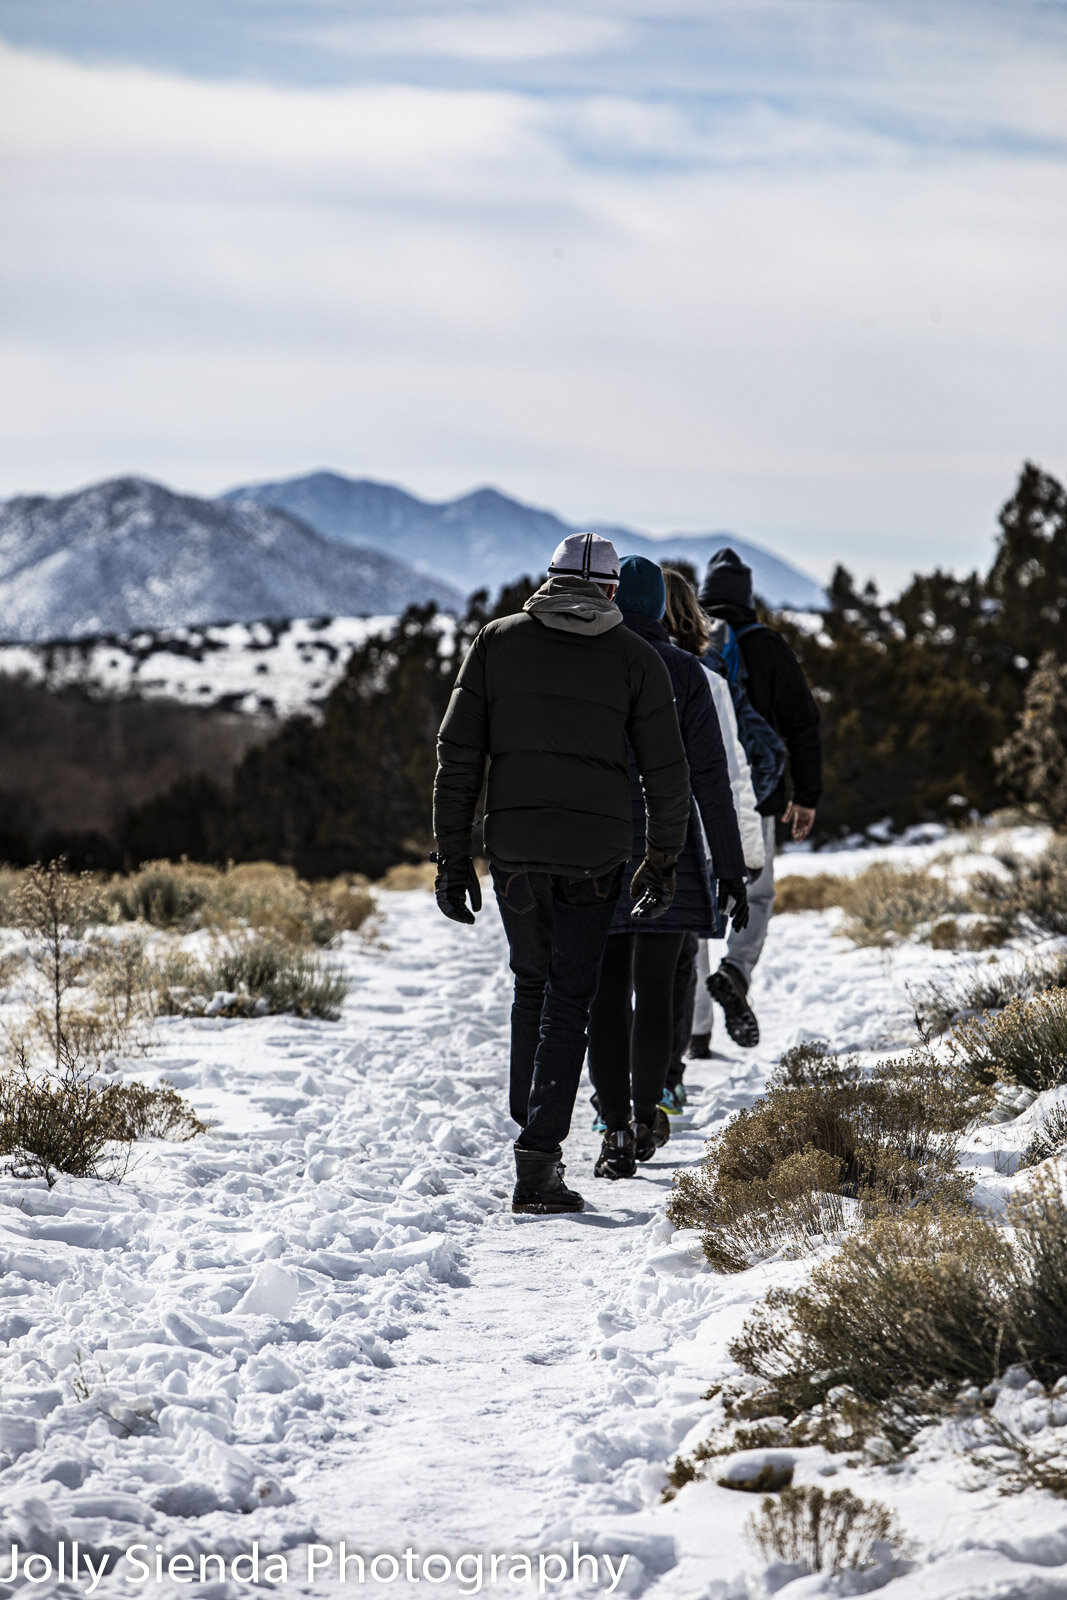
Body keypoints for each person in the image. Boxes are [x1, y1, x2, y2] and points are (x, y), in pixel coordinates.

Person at [432, 532, 691, 1215]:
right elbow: (668, 778)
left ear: (546, 579)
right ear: (610, 591)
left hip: (513, 848)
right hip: (595, 854)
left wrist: (452, 857)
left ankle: (533, 1127)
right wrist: (660, 863)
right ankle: (537, 1160)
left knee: (531, 985)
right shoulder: (635, 659)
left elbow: (458, 756)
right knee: (569, 1000)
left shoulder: (497, 641)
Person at [585, 556, 749, 1179]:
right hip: (671, 852)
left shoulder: (589, 664)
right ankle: (650, 1109)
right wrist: (729, 869)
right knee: (657, 991)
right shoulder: (689, 672)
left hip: (595, 854)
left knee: (605, 995)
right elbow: (712, 779)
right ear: (661, 608)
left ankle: (615, 1125)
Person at [699, 547, 822, 1047]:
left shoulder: (690, 637)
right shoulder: (769, 645)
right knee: (757, 895)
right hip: (759, 796)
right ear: (748, 597)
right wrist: (806, 795)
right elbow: (803, 724)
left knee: (690, 912)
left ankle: (693, 1032)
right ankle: (736, 970)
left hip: (693, 800)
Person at [659, 566, 765, 1088]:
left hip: (626, 834)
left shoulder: (617, 668)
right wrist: (744, 854)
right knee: (683, 950)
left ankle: (639, 1080)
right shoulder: (709, 681)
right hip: (696, 834)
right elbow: (731, 773)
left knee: (640, 963)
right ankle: (677, 1060)